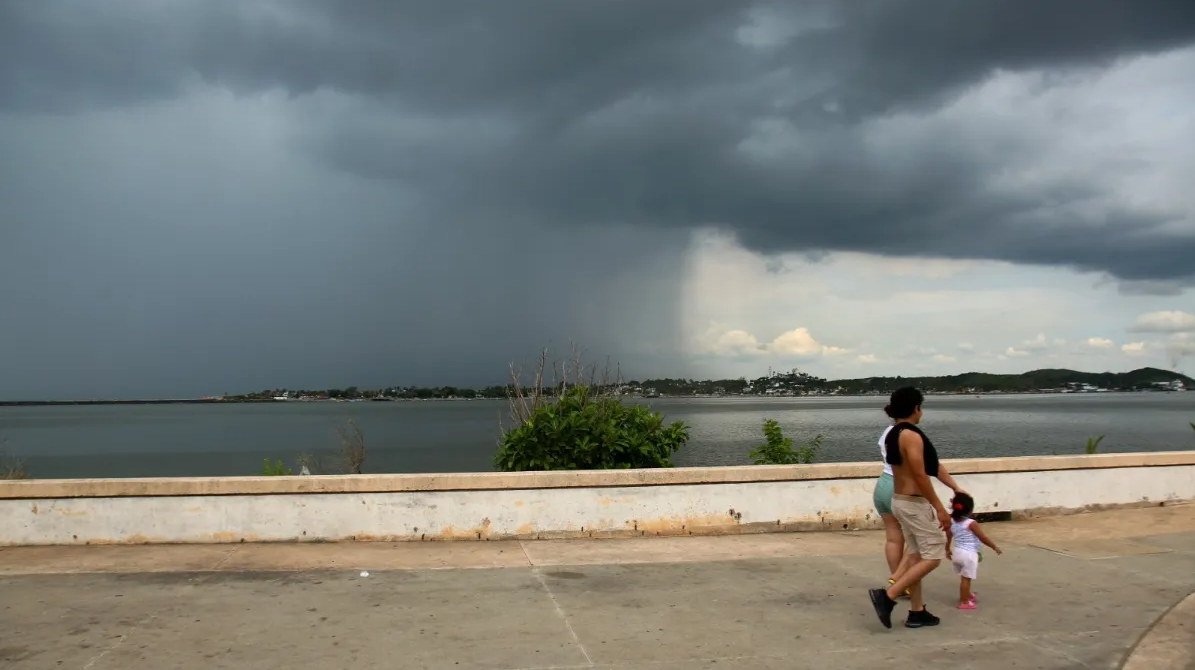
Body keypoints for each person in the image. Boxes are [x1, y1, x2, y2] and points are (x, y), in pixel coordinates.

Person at [868, 386, 955, 629]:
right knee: (934, 554)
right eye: (921, 408)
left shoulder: (892, 434)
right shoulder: (911, 435)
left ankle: (917, 611)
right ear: (916, 408)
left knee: (916, 555)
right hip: (912, 503)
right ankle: (888, 596)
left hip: (899, 500)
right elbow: (920, 474)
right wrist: (939, 507)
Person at [947, 492, 1002, 610]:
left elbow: (948, 536)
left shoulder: (951, 521)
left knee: (964, 577)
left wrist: (947, 549)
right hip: (968, 555)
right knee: (966, 579)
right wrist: (994, 547)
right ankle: (964, 602)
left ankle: (968, 595)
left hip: (957, 553)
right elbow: (983, 538)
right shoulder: (971, 523)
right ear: (970, 510)